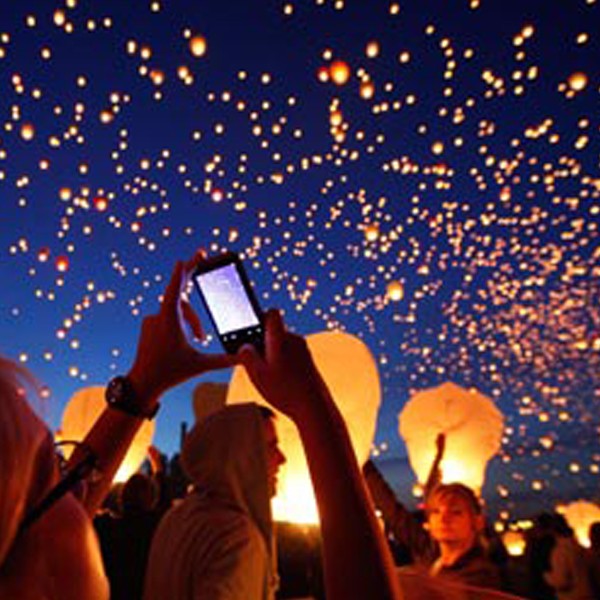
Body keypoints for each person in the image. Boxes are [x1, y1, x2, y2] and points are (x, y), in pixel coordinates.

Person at [0, 254, 400, 600]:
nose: (81, 488)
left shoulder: (178, 519)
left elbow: (56, 509)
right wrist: (316, 412)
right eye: (52, 471)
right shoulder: (237, 538)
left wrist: (145, 383)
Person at [144, 404, 285, 599]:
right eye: (270, 446)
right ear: (242, 456)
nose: (282, 458)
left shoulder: (174, 519)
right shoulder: (237, 540)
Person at [364, 440, 501, 590]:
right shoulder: (429, 554)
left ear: (478, 522)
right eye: (436, 511)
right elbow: (392, 511)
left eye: (456, 512)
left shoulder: (481, 576)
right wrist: (361, 457)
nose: (444, 519)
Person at [543, 514, 594, 600]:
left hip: (571, 596)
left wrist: (546, 576)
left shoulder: (560, 551)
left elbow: (561, 581)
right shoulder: (579, 548)